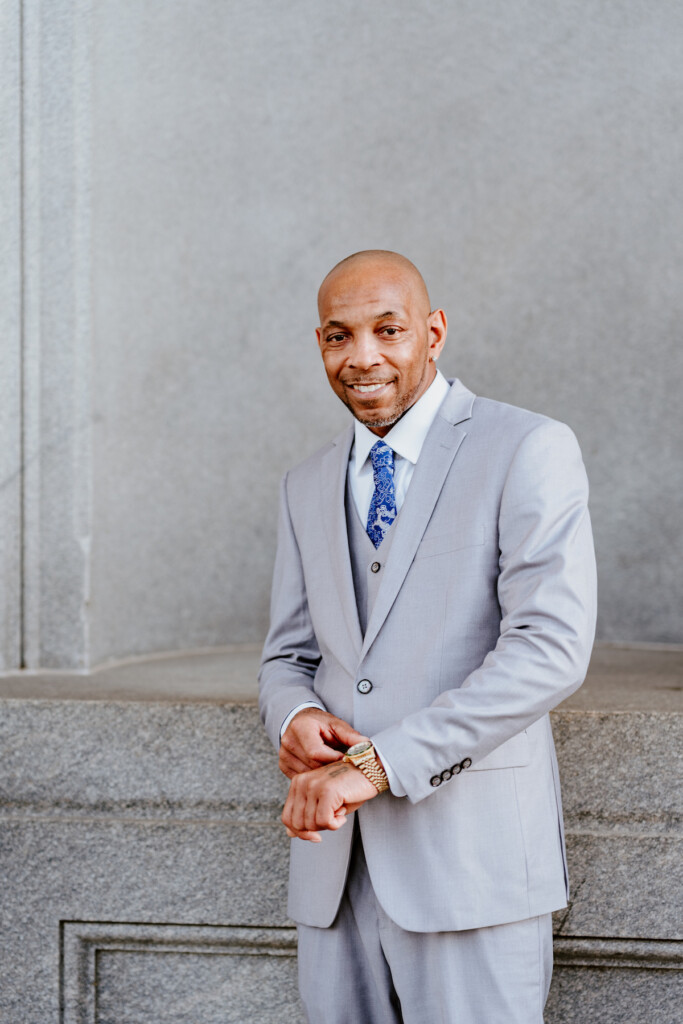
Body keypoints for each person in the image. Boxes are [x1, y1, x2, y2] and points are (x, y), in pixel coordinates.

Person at [259, 250, 597, 1023]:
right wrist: (292, 716)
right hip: (334, 874)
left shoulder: (526, 448)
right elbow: (287, 655)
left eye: (388, 329)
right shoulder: (305, 483)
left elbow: (549, 651)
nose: (363, 356)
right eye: (340, 336)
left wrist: (376, 767)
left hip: (468, 867)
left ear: (434, 331)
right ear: (321, 345)